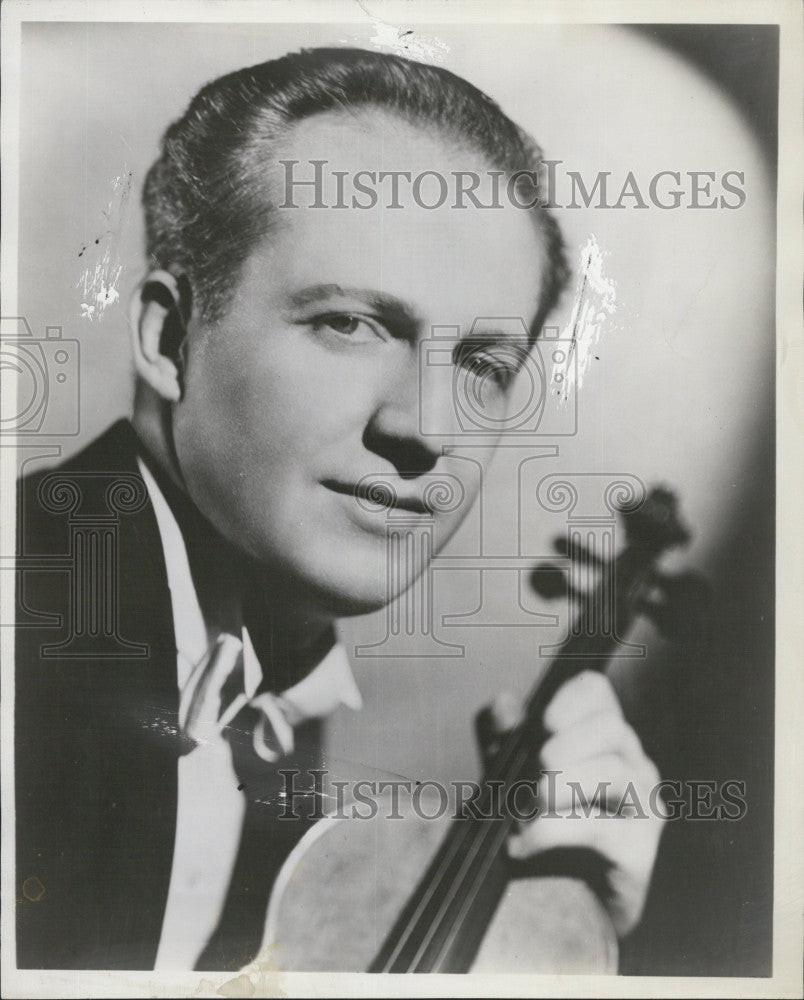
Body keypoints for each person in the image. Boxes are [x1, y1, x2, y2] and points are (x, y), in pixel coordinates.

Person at [15, 47, 663, 973]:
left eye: (482, 364)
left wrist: (551, 926)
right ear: (168, 338)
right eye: (351, 324)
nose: (423, 428)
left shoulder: (266, 693)